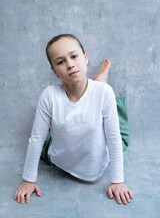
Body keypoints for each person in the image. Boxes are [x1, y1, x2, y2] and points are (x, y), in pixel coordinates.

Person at [14, 34, 133, 205]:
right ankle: (97, 84)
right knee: (45, 139)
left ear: (85, 58)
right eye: (61, 62)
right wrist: (28, 180)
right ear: (54, 71)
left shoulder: (103, 93)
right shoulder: (49, 95)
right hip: (60, 156)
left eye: (74, 56)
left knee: (121, 135)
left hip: (98, 150)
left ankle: (100, 81)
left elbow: (113, 139)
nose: (70, 64)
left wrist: (117, 181)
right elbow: (37, 139)